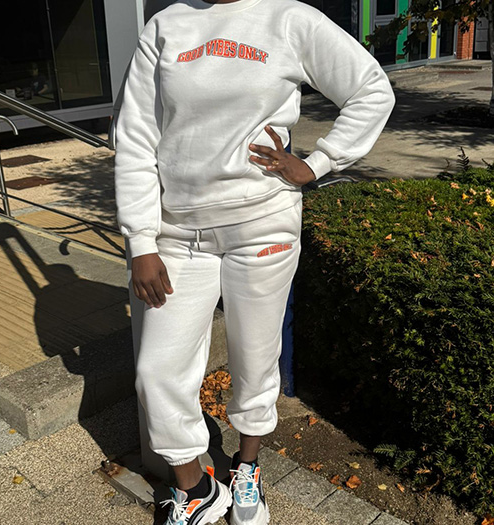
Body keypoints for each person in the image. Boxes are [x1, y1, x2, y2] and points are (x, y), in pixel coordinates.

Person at [113, 0, 395, 523]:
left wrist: (318, 162)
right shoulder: (166, 25)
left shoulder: (289, 18)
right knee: (157, 370)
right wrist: (140, 240)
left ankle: (247, 467)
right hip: (178, 233)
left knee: (255, 357)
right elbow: (134, 136)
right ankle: (196, 487)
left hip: (263, 221)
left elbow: (371, 88)